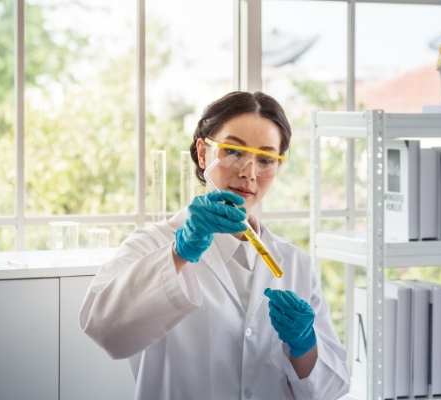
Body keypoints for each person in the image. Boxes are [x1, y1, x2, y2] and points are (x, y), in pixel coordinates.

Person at [79, 91, 350, 399]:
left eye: (265, 159)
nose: (248, 171)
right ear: (203, 152)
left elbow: (332, 388)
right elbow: (103, 328)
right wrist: (178, 255)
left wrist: (305, 346)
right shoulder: (153, 243)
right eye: (234, 151)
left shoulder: (294, 263)